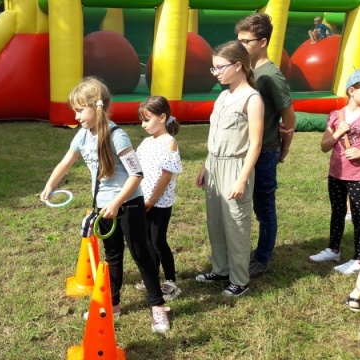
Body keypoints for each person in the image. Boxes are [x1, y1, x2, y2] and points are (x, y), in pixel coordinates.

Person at [40, 77, 170, 333]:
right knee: (111, 257)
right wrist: (49, 185)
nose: (75, 115)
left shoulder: (117, 136)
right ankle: (113, 304)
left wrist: (118, 201)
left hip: (129, 205)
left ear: (95, 107)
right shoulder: (82, 136)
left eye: (79, 109)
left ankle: (158, 307)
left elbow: (136, 174)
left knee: (141, 255)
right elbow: (66, 162)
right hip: (103, 208)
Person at [195, 41, 264, 297]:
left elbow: (255, 144)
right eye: (213, 69)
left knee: (236, 224)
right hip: (214, 164)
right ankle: (221, 269)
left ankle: (239, 280)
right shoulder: (223, 95)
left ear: (238, 66)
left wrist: (241, 179)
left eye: (219, 68)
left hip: (236, 167)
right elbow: (215, 135)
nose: (216, 73)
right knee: (216, 222)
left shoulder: (252, 99)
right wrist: (205, 165)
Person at [235, 13, 297, 278]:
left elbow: (289, 116)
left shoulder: (271, 75)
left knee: (264, 208)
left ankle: (262, 258)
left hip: (265, 151)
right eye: (238, 40)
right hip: (245, 149)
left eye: (245, 41)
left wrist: (283, 148)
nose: (240, 46)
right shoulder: (249, 70)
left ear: (262, 42)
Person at [310, 67, 360, 275]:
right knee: (337, 212)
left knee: (358, 215)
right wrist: (338, 132)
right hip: (336, 173)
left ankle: (358, 260)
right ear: (351, 91)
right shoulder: (335, 115)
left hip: (359, 175)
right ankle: (333, 249)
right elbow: (324, 146)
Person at [134, 96, 183, 301]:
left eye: (147, 119)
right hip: (143, 200)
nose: (144, 125)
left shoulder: (169, 143)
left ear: (163, 117)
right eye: (142, 121)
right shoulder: (146, 142)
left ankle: (171, 281)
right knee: (146, 240)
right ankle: (152, 276)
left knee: (157, 240)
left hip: (159, 203)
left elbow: (166, 175)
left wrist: (152, 200)